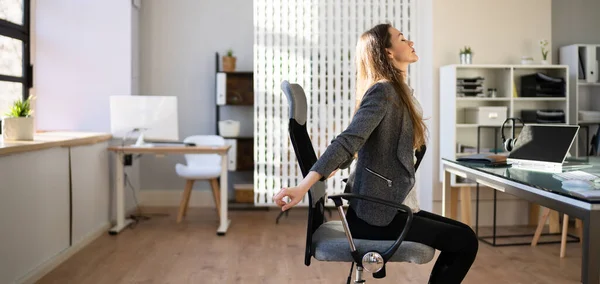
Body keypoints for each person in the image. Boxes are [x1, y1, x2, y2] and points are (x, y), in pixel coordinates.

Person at [273, 23, 478, 284]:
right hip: (378, 216)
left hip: (392, 207)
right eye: (403, 39)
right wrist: (303, 187)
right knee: (465, 242)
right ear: (388, 52)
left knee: (464, 235)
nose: (411, 42)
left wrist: (342, 162)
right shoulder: (384, 91)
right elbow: (348, 140)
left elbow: (363, 142)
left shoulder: (398, 92)